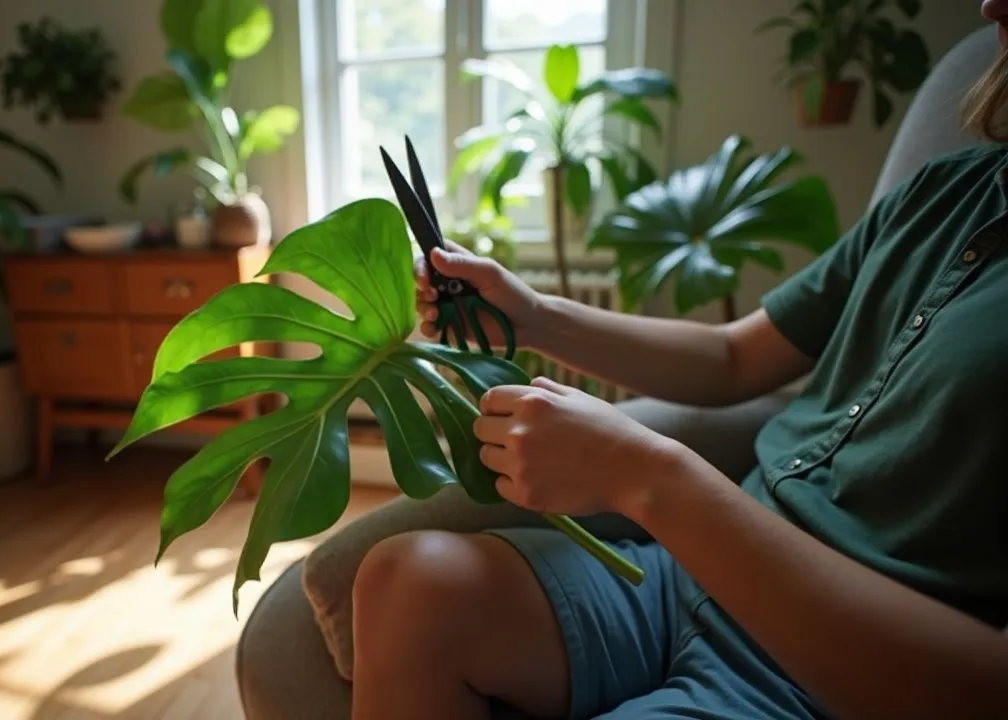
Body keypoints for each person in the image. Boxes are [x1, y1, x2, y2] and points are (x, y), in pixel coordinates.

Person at [349, 2, 1008, 718]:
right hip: (692, 580)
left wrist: (648, 476)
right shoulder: (946, 192)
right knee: (407, 587)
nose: (990, 5)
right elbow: (731, 356)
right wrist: (531, 315)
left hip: (841, 671)